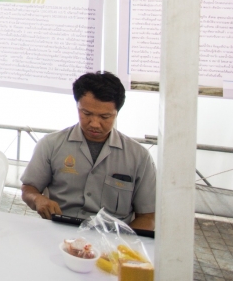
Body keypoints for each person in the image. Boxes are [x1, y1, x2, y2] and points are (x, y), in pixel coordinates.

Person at [20, 71, 156, 230]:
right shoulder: (50, 144)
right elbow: (28, 189)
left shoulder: (139, 157)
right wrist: (37, 199)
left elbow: (148, 216)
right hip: (60, 232)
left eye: (105, 117)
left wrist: (122, 242)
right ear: (77, 106)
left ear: (117, 113)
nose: (94, 124)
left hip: (111, 239)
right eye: (86, 113)